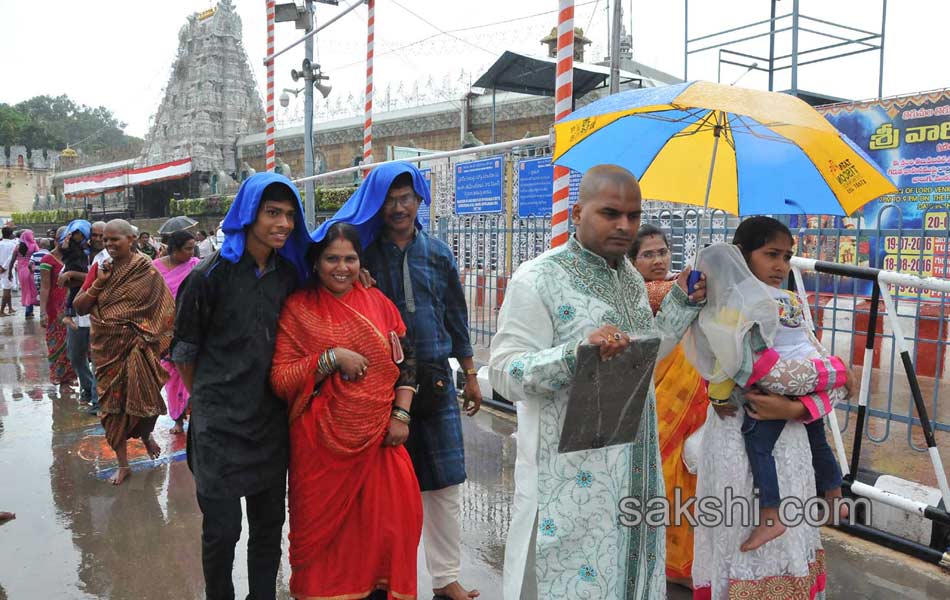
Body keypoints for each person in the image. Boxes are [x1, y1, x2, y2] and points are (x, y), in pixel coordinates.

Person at [490, 165, 706, 600]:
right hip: (570, 473)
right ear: (577, 213)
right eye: (610, 213)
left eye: (632, 214)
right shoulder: (537, 279)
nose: (624, 225)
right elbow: (503, 370)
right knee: (565, 577)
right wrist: (575, 355)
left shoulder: (629, 278)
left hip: (635, 465)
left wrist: (683, 302)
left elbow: (641, 355)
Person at [314, 162, 482, 600]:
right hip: (381, 384)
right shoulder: (362, 256)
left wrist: (470, 373)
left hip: (436, 379)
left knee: (445, 481)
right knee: (386, 487)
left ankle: (446, 579)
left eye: (406, 197)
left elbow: (457, 318)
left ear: (419, 200)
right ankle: (386, 576)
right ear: (377, 204)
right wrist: (355, 276)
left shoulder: (439, 253)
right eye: (388, 199)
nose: (398, 206)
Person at [686, 217, 854, 599]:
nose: (781, 265)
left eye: (788, 256)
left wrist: (798, 409)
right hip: (736, 445)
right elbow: (770, 375)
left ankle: (830, 493)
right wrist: (838, 372)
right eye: (771, 255)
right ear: (742, 256)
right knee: (739, 534)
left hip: (792, 447)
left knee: (791, 544)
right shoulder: (722, 305)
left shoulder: (791, 302)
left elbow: (815, 367)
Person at [172, 172, 310, 600]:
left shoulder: (290, 275)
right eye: (273, 213)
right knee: (222, 531)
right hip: (219, 429)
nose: (283, 224)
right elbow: (184, 353)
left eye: (289, 215)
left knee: (268, 530)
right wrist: (210, 402)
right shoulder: (208, 277)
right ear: (249, 214)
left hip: (270, 423)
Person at [270, 222, 423, 600]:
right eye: (332, 258)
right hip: (319, 448)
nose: (342, 267)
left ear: (361, 261)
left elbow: (407, 361)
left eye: (350, 258)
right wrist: (330, 358)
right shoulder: (299, 308)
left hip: (379, 441)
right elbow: (281, 378)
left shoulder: (379, 302)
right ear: (316, 263)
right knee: (324, 545)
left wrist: (401, 416)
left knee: (388, 528)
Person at [628, 224, 708, 589]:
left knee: (689, 477)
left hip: (691, 395)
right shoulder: (636, 293)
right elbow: (664, 295)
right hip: (653, 394)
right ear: (632, 261)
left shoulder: (679, 287)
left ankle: (685, 563)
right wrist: (689, 289)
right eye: (648, 254)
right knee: (662, 476)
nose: (658, 260)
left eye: (662, 252)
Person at [73, 219, 175, 486]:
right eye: (105, 240)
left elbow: (164, 310)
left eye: (114, 239)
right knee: (110, 407)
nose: (108, 244)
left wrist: (148, 337)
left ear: (132, 239)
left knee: (147, 400)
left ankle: (146, 434)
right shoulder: (100, 267)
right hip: (107, 349)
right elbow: (80, 306)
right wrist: (99, 284)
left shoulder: (147, 272)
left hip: (139, 347)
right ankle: (123, 464)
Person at [153, 230, 199, 434]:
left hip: (191, 327)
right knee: (172, 375)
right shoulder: (154, 268)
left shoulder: (196, 265)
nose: (192, 252)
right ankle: (178, 420)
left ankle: (196, 418)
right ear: (174, 249)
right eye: (188, 249)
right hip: (165, 330)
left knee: (193, 373)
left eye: (193, 248)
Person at [60, 221, 106, 410]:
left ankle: (97, 401)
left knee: (97, 359)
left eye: (100, 236)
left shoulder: (108, 256)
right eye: (93, 235)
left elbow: (94, 278)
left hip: (98, 314)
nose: (97, 239)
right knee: (75, 356)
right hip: (78, 315)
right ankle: (87, 386)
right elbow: (63, 280)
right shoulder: (78, 251)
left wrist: (72, 274)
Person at [38, 228, 78, 386]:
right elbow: (45, 287)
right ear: (56, 239)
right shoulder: (47, 260)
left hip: (72, 306)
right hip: (55, 308)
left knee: (72, 342)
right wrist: (42, 312)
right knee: (55, 341)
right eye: (64, 239)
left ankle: (70, 375)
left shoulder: (75, 258)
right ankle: (56, 374)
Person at [9, 229, 39, 318]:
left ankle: (28, 310)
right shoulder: (34, 246)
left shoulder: (18, 247)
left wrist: (10, 272)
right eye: (32, 235)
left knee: (25, 290)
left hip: (21, 271)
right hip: (31, 269)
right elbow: (38, 257)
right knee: (33, 289)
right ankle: (30, 311)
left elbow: (12, 259)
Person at [0, 227, 18, 316]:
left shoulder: (1, 243)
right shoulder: (13, 244)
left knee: (8, 288)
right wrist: (4, 267)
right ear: (11, 234)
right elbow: (11, 258)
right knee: (6, 290)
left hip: (2, 268)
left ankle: (10, 308)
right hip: (7, 269)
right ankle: (1, 311)